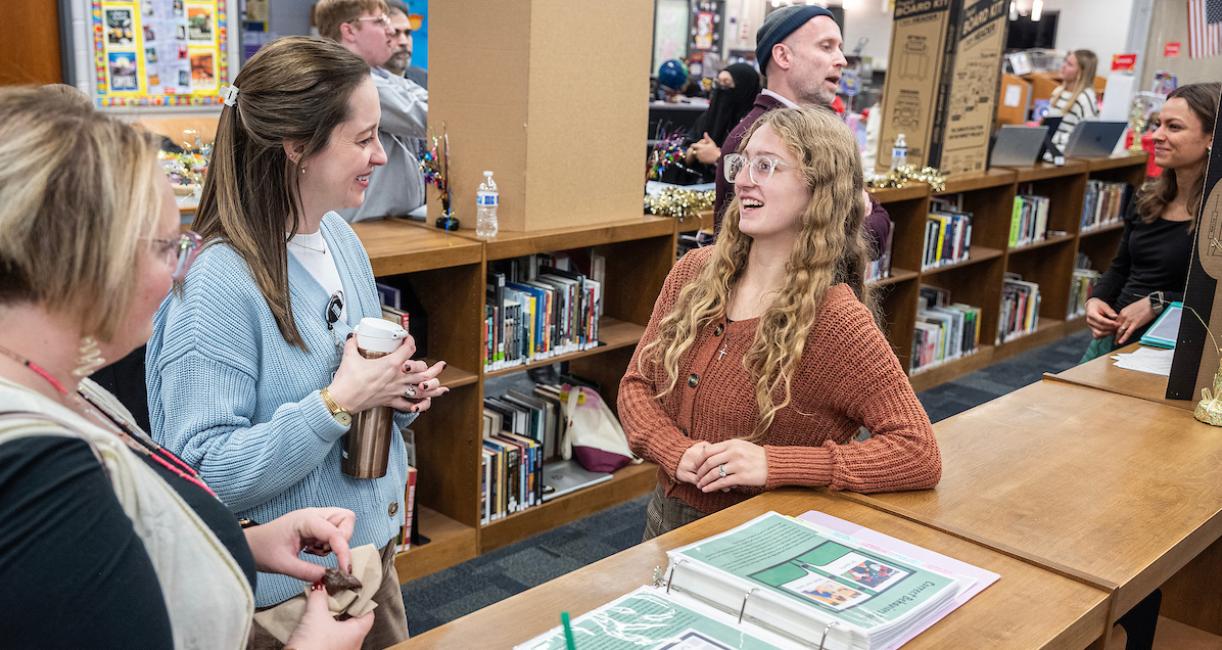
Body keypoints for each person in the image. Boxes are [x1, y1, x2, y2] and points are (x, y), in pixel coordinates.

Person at [0, 85, 372, 648]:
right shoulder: (40, 474)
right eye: (166, 246)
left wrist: (241, 540)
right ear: (89, 258)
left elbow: (126, 536)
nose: (179, 271)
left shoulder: (63, 390)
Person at [145, 37, 448, 649]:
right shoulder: (215, 287)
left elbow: (350, 384)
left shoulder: (339, 237)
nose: (382, 156)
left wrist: (395, 393)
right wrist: (335, 404)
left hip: (366, 562)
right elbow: (199, 473)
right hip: (286, 602)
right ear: (296, 148)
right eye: (364, 139)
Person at [620, 107, 941, 540]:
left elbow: (917, 451)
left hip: (763, 540)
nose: (743, 179)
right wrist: (672, 451)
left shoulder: (835, 320)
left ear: (819, 189)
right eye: (743, 162)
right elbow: (637, 385)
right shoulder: (695, 272)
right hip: (664, 521)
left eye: (766, 165)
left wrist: (775, 464)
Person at [713, 5, 890, 260]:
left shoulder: (825, 134)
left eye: (839, 47)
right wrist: (857, 213)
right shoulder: (752, 139)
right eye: (826, 46)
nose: (841, 59)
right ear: (784, 56)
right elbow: (744, 252)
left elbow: (879, 232)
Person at [1083, 82, 1218, 361]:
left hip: (1176, 348)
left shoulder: (1217, 214)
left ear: (1212, 139)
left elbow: (1216, 297)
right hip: (1118, 338)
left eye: (1174, 127)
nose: (1156, 135)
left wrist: (1159, 303)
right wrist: (1096, 300)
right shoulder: (1147, 196)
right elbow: (1121, 267)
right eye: (1158, 124)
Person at [316, 0, 429, 223]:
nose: (390, 31)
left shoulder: (382, 75)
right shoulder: (344, 80)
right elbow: (430, 117)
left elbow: (436, 104)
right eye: (380, 21)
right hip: (363, 227)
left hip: (391, 222)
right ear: (349, 30)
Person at [673, 63, 761, 185]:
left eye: (727, 83)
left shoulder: (756, 124)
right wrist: (693, 152)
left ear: (744, 89)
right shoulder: (708, 117)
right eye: (718, 83)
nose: (720, 89)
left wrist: (718, 157)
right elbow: (685, 147)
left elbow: (757, 168)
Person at [1043, 49, 1100, 162]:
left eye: (1069, 65)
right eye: (1065, 61)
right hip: (1047, 151)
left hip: (1065, 157)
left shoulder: (1085, 97)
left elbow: (1088, 136)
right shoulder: (1058, 92)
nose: (1063, 66)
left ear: (1081, 72)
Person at [385, 0, 428, 89]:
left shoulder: (425, 79)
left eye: (407, 33)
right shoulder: (357, 88)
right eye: (393, 33)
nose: (404, 42)